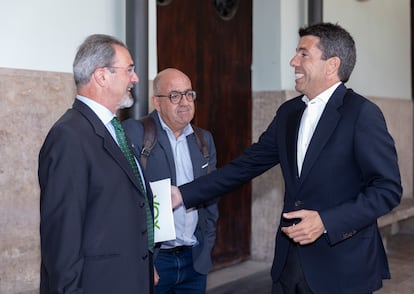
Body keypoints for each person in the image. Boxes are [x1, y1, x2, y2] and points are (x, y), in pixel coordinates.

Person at [171, 22, 402, 293]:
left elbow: (387, 189)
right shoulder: (288, 113)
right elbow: (246, 165)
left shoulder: (362, 113)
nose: (293, 61)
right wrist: (183, 194)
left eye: (304, 54)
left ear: (332, 64)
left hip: (343, 267)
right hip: (288, 265)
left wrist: (327, 222)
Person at [38, 34, 155, 293]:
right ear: (102, 76)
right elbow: (62, 238)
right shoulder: (69, 136)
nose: (135, 79)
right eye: (129, 70)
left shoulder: (115, 129)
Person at [124, 68, 219, 294]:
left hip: (194, 260)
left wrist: (206, 248)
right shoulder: (136, 133)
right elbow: (126, 204)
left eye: (189, 94)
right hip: (156, 261)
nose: (184, 102)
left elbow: (212, 196)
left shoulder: (203, 140)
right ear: (156, 102)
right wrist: (143, 262)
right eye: (175, 96)